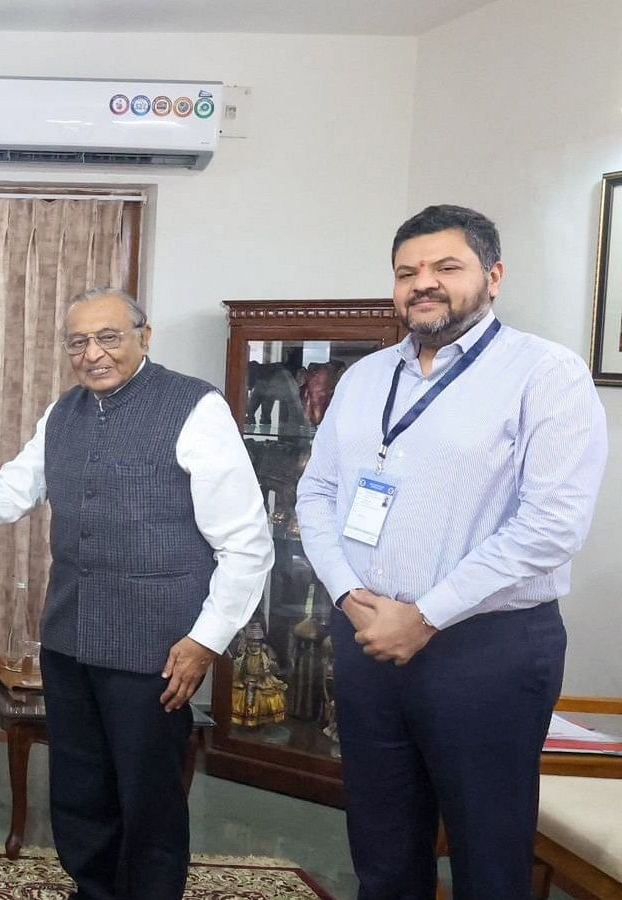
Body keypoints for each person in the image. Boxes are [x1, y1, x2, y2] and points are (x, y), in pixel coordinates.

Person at [0, 288, 272, 899]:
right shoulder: (62, 414)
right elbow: (8, 496)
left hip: (158, 650)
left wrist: (205, 641)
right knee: (80, 794)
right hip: (70, 639)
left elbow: (247, 542)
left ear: (145, 336)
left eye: (109, 337)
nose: (93, 354)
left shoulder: (194, 408)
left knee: (148, 801)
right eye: (78, 342)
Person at [296, 204, 607, 899]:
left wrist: (427, 614)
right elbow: (315, 496)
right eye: (407, 272)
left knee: (488, 857)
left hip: (486, 651)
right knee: (382, 848)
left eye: (445, 267)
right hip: (368, 639)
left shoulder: (545, 374)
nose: (422, 284)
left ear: (493, 276)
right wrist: (350, 597)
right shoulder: (368, 377)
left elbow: (551, 526)